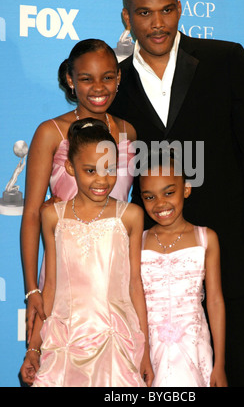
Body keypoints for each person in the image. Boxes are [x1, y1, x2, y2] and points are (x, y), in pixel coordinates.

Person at [108, 0, 244, 386]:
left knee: (237, 374)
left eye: (167, 10)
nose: (158, 24)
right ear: (126, 18)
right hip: (151, 272)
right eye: (144, 13)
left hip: (229, 253)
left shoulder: (226, 60)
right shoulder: (111, 83)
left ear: (179, 9)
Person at [20, 118, 153, 387]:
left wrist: (146, 350)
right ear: (70, 167)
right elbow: (51, 288)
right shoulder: (52, 216)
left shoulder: (131, 216)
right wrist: (34, 348)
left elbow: (135, 284)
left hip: (116, 338)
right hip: (65, 340)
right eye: (90, 170)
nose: (102, 180)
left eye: (110, 168)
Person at [21, 39, 136, 343]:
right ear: (71, 80)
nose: (98, 87)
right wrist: (32, 288)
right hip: (65, 275)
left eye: (107, 77)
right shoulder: (51, 132)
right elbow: (33, 213)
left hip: (115, 274)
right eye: (86, 78)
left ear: (118, 78)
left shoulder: (128, 132)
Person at [139, 149, 227, 387]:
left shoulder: (206, 238)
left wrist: (219, 364)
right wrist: (143, 354)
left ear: (186, 189)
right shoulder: (137, 241)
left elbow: (215, 301)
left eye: (169, 192)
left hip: (194, 348)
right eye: (149, 197)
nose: (160, 203)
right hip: (148, 352)